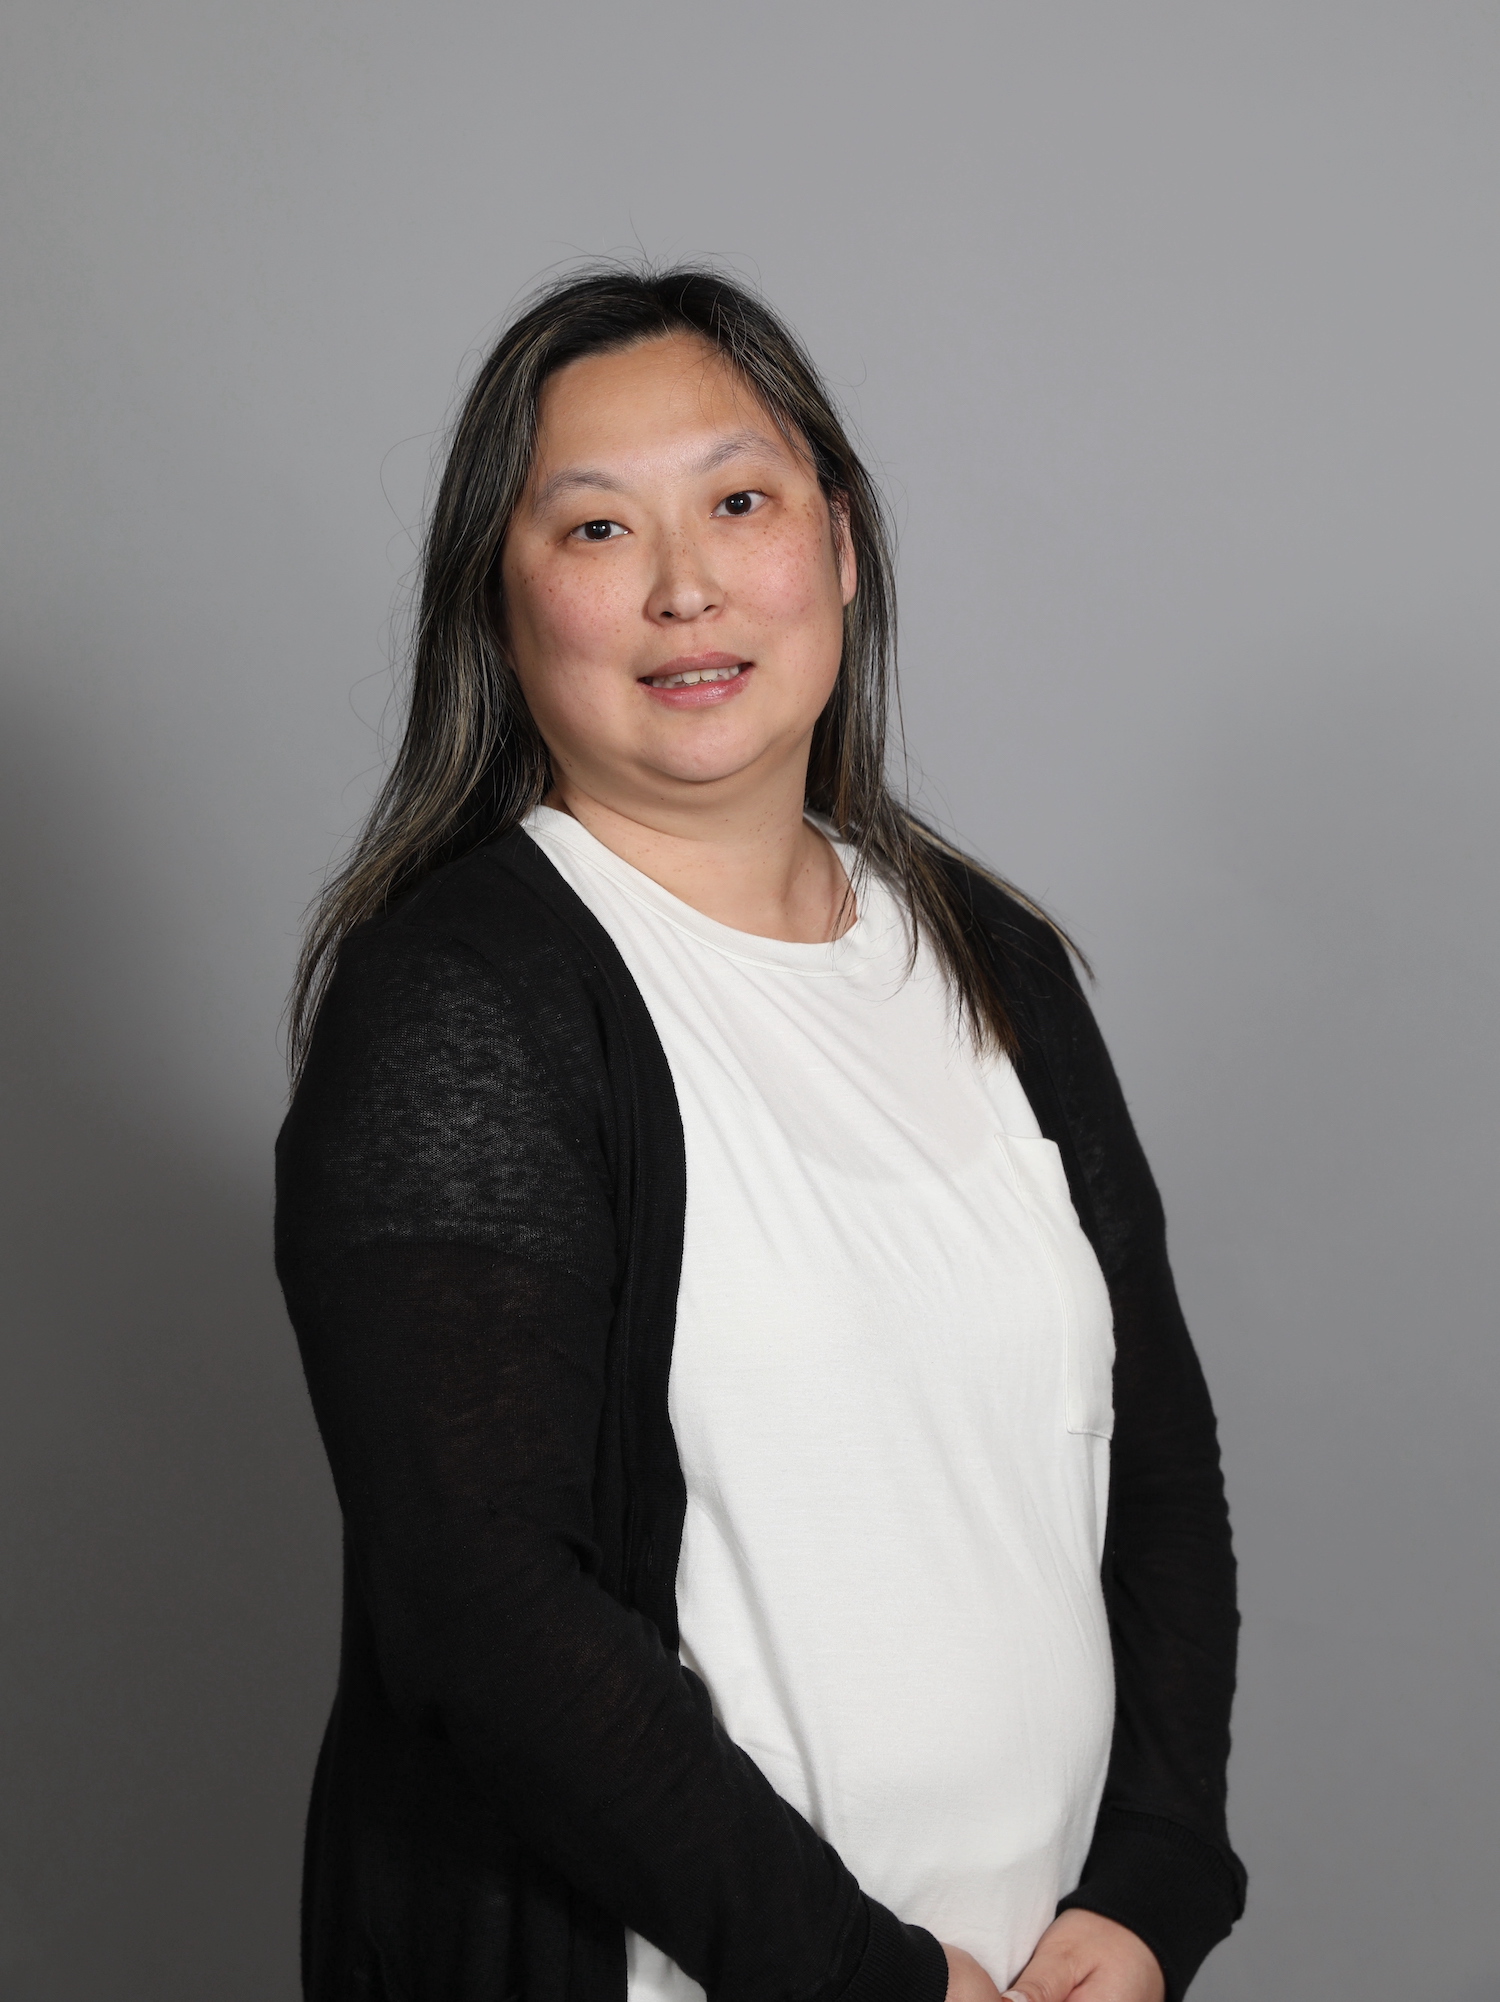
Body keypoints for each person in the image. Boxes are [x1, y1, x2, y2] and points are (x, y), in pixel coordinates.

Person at [276, 268, 1245, 2002]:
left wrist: (1154, 1879)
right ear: (499, 601)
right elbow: (482, 1608)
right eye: (596, 527)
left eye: (739, 501)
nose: (686, 585)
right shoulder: (460, 998)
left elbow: (1155, 1468)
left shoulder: (991, 958)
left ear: (840, 543)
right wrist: (865, 1978)